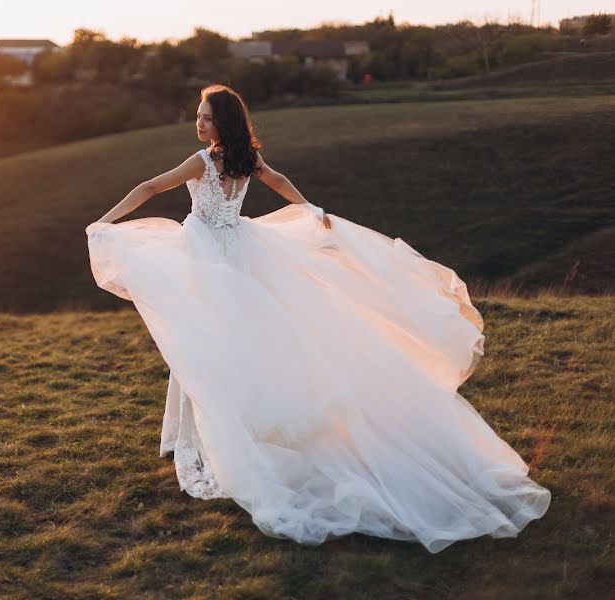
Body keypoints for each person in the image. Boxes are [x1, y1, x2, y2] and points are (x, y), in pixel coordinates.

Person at [84, 84, 550, 554]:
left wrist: (104, 221)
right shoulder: (247, 160)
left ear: (222, 122)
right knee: (219, 348)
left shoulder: (203, 161)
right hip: (239, 254)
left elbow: (149, 187)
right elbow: (280, 179)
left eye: (205, 117)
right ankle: (200, 437)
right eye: (199, 117)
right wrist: (308, 207)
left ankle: (218, 444)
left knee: (203, 346)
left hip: (209, 256)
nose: (198, 124)